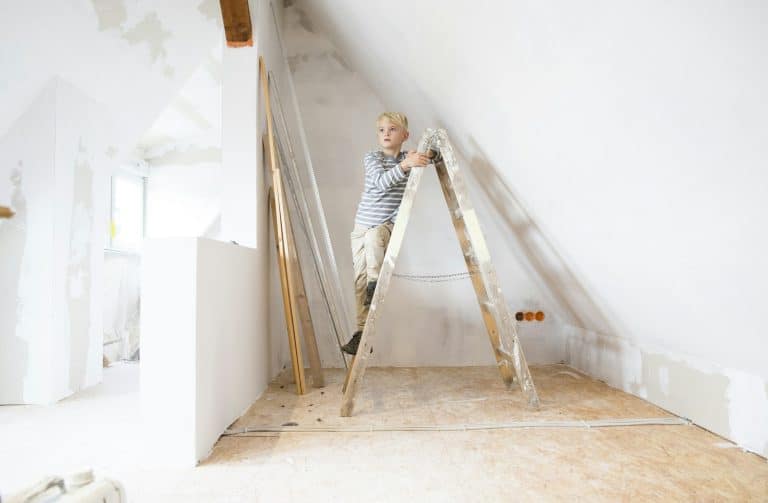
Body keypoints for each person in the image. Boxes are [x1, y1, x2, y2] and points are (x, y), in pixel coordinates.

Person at [341, 112, 438, 355]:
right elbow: (381, 182)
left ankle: (376, 283)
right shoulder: (372, 158)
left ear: (405, 135)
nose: (386, 134)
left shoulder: (409, 157)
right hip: (360, 228)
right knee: (359, 282)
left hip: (384, 225)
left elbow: (429, 158)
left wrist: (430, 154)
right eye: (382, 130)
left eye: (392, 129)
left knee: (375, 241)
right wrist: (406, 165)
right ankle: (362, 333)